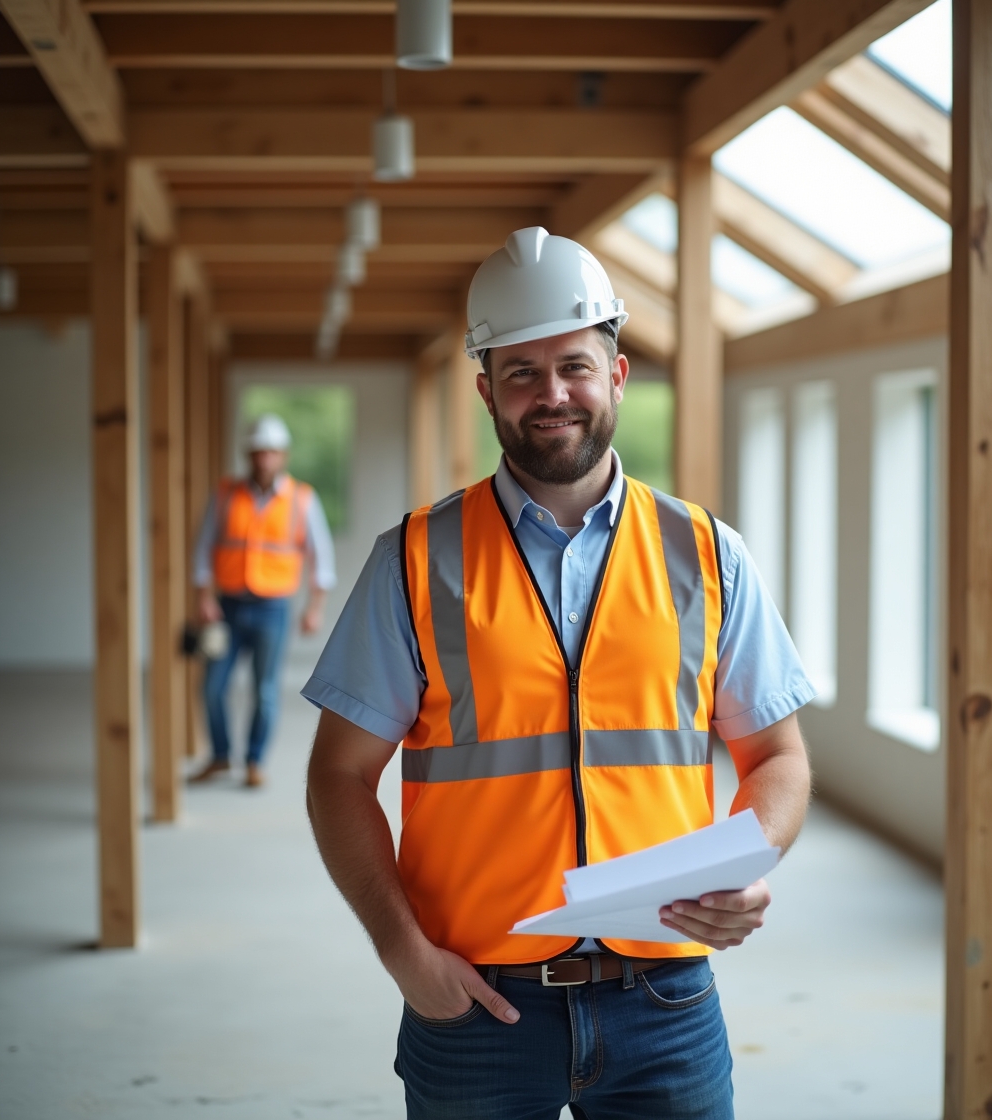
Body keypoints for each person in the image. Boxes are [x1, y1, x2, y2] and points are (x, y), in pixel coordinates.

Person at [303, 227, 813, 1118]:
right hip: (476, 1004)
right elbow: (339, 776)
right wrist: (403, 955)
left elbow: (779, 757)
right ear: (485, 391)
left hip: (667, 1000)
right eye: (522, 373)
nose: (552, 395)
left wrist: (751, 863)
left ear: (616, 374)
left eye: (574, 365)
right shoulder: (413, 561)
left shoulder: (706, 554)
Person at [191, 413, 336, 789]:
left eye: (270, 452)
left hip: (273, 609)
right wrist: (204, 596)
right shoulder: (225, 494)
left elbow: (321, 556)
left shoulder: (302, 500)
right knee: (211, 687)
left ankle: (254, 762)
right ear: (248, 454)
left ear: (282, 455)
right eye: (257, 452)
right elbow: (205, 546)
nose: (263, 459)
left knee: (264, 690)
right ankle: (221, 756)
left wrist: (314, 608)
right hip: (227, 606)